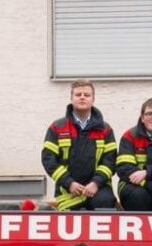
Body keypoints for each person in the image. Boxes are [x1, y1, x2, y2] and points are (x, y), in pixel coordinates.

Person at [41, 80, 118, 210]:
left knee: (105, 206)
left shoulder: (105, 129)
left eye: (87, 95)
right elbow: (48, 160)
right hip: (67, 189)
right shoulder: (57, 127)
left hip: (99, 188)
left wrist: (96, 183)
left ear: (93, 99)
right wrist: (69, 183)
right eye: (78, 94)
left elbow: (110, 160)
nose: (82, 97)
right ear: (71, 98)